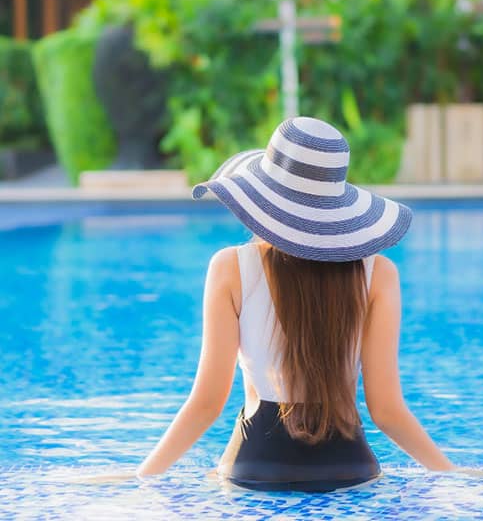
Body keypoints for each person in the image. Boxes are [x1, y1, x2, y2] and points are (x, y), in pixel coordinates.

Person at [137, 116, 455, 491]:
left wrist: (141, 478)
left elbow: (207, 403)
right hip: (348, 468)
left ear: (262, 199)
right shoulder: (379, 274)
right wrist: (451, 475)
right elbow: (386, 410)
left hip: (255, 468)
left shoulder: (230, 268)